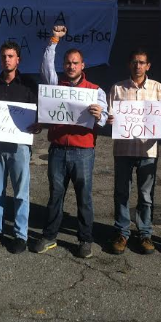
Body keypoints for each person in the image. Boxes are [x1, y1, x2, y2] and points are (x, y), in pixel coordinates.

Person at [34, 25, 108, 259]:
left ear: (82, 66)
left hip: (83, 151)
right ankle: (50, 236)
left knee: (84, 198)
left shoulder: (95, 90)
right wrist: (54, 40)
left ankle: (85, 239)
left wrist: (100, 115)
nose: (71, 66)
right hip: (57, 150)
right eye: (68, 62)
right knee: (55, 195)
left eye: (75, 63)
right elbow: (46, 65)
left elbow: (105, 119)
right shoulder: (56, 87)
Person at [0, 41, 39, 254]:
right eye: (3, 56)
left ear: (18, 59)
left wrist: (37, 124)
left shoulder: (29, 83)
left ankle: (20, 234)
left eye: (11, 56)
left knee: (21, 192)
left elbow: (37, 113)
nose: (7, 60)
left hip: (19, 145)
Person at [106, 49, 161, 256]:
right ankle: (122, 233)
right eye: (134, 62)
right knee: (122, 193)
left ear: (148, 66)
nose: (138, 66)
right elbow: (108, 115)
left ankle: (145, 233)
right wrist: (110, 119)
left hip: (148, 150)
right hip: (123, 149)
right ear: (129, 64)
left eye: (142, 62)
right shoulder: (117, 88)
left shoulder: (157, 88)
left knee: (146, 195)